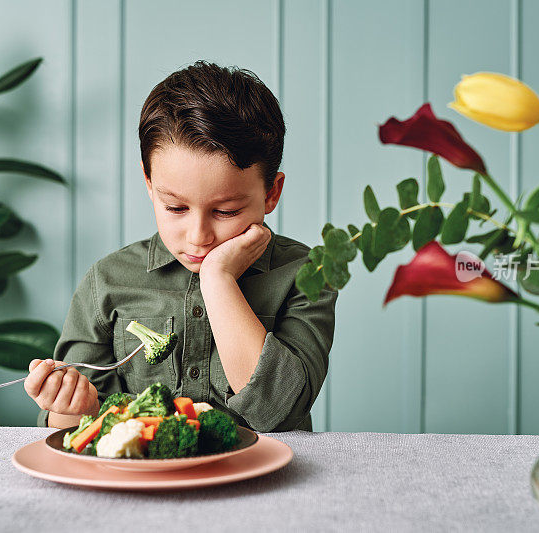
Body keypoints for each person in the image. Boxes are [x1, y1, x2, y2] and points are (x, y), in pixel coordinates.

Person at [24, 61, 337, 432]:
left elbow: (277, 413)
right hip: (141, 486)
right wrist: (68, 406)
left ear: (272, 192)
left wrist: (218, 281)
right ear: (148, 182)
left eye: (226, 211)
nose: (198, 236)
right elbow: (76, 429)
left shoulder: (308, 274)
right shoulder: (107, 281)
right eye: (175, 207)